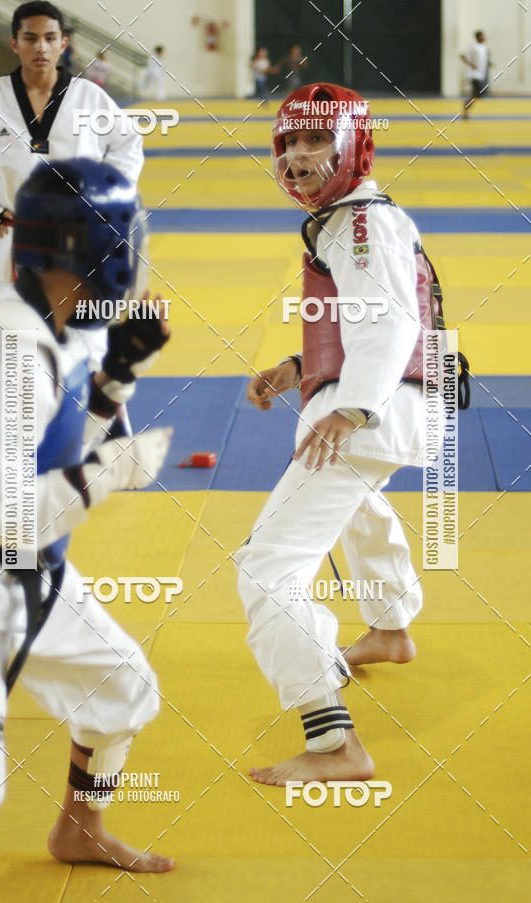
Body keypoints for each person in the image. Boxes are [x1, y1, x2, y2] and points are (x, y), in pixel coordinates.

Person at [0, 157, 174, 890]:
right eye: (121, 235)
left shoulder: (66, 330)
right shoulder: (8, 349)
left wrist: (117, 381)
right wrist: (112, 474)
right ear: (87, 247)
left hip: (28, 568)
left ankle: (79, 825)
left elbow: (57, 450)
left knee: (123, 687)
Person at [235, 83, 437, 786]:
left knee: (266, 567)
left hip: (377, 408)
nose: (296, 156)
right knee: (357, 505)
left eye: (315, 140)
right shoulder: (355, 218)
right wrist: (301, 367)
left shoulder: (357, 221)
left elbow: (392, 324)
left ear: (354, 144)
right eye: (288, 143)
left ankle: (332, 742)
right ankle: (389, 626)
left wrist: (350, 409)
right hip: (398, 400)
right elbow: (371, 315)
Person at [0, 2, 143, 293]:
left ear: (63, 44)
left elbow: (128, 144)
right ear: (15, 43)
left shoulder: (88, 97)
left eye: (50, 38)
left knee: (78, 334)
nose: (41, 47)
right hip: (15, 238)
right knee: (16, 335)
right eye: (30, 38)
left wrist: (104, 198)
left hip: (77, 238)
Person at [460, 30, 490, 119]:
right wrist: (471, 64)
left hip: (481, 75)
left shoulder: (484, 47)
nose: (484, 38)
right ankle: (465, 107)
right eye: (482, 36)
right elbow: (462, 56)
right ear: (478, 37)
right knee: (479, 93)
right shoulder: (473, 47)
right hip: (474, 75)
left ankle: (466, 106)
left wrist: (488, 63)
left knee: (478, 94)